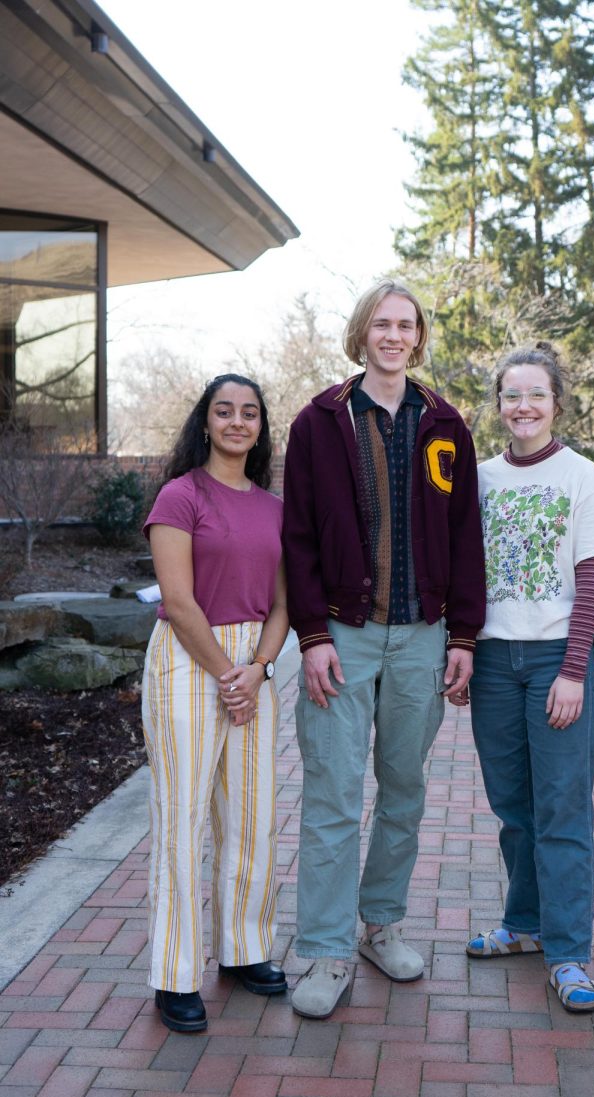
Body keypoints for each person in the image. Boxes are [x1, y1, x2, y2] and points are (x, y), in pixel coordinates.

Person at [282, 279, 485, 1019]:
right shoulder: (320, 422)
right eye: (382, 324)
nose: (394, 336)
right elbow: (296, 537)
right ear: (361, 332)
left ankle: (381, 925)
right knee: (333, 796)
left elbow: (466, 536)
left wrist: (462, 635)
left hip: (423, 637)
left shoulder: (445, 424)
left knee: (403, 790)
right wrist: (310, 636)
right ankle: (326, 953)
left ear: (419, 337)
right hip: (342, 634)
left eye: (406, 325)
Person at [463, 343, 594, 1013]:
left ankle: (567, 954)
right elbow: (462, 576)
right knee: (513, 809)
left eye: (535, 394)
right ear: (498, 405)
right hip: (495, 663)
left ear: (556, 401)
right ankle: (523, 925)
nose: (522, 406)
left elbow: (592, 580)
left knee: (561, 810)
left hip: (559, 657)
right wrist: (463, 649)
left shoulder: (582, 476)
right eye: (510, 395)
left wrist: (571, 672)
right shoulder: (479, 479)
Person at [142, 373, 289, 1033]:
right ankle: (175, 974)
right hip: (187, 658)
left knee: (252, 816)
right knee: (182, 820)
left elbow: (286, 603)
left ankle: (243, 949)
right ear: (205, 422)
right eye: (224, 411)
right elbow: (176, 601)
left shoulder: (273, 506)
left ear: (261, 427)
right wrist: (229, 671)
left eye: (249, 413)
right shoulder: (180, 496)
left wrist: (256, 669)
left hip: (252, 665)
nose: (237, 422)